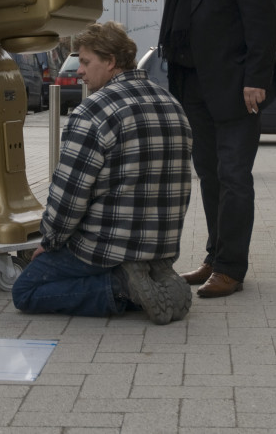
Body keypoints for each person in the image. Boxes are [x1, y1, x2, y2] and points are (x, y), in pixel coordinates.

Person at [11, 22, 194, 325]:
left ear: (110, 62)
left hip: (106, 246)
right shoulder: (172, 104)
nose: (79, 71)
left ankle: (121, 285)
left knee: (27, 290)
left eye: (85, 62)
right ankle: (151, 272)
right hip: (162, 242)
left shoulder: (93, 111)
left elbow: (68, 196)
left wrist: (50, 241)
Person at [155, 0, 276, 299]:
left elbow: (259, 21)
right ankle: (215, 256)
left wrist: (256, 78)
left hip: (236, 88)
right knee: (209, 175)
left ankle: (231, 268)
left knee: (234, 177)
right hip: (193, 90)